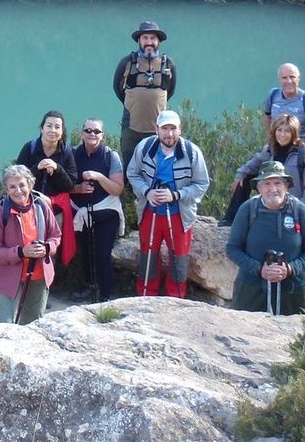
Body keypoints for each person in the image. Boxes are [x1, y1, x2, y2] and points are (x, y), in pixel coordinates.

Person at [125, 110, 211, 298]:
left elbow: (202, 183)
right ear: (156, 130)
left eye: (173, 128)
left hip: (180, 215)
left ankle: (176, 299)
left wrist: (176, 195)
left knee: (178, 259)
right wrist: (147, 192)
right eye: (165, 128)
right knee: (148, 257)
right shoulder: (145, 147)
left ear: (180, 130)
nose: (169, 133)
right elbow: (132, 174)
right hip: (150, 211)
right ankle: (146, 297)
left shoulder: (191, 152)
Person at [225, 161, 305, 316]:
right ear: (259, 187)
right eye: (267, 183)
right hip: (251, 288)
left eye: (278, 183)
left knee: (292, 336)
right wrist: (259, 269)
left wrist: (290, 269)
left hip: (292, 290)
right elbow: (232, 248)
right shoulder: (248, 209)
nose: (273, 189)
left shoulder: (299, 210)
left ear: (287, 186)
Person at [0, 163, 62, 325]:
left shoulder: (41, 206)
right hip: (9, 277)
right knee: (5, 325)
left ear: (30, 184)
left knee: (33, 324)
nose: (18, 190)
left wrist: (46, 248)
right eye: (12, 187)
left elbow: (55, 235)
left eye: (22, 185)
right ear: (6, 190)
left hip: (39, 275)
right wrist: (21, 252)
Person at [16, 111, 79, 282]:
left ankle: (44, 288)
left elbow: (70, 184)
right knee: (25, 245)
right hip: (29, 207)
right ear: (42, 128)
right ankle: (18, 287)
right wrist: (39, 167)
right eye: (49, 126)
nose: (53, 130)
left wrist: (57, 169)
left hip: (55, 210)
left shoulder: (66, 152)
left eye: (57, 127)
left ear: (62, 130)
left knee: (50, 249)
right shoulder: (30, 148)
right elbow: (17, 178)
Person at [221, 114, 305, 224]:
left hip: (291, 205)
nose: (282, 135)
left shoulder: (303, 155)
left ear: (294, 134)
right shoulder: (269, 149)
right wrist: (240, 174)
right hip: (270, 198)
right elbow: (253, 163)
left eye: (287, 131)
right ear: (274, 131)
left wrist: (302, 211)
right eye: (279, 130)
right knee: (245, 178)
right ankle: (232, 219)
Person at [71, 117, 125, 302]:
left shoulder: (111, 157)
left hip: (106, 212)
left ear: (103, 135)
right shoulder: (72, 154)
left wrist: (99, 177)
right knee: (85, 252)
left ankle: (106, 294)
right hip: (80, 211)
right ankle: (89, 286)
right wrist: (78, 188)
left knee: (102, 253)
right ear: (82, 133)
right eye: (88, 130)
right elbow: (63, 184)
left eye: (96, 131)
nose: (92, 134)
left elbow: (117, 189)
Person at [112, 20, 177, 163]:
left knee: (156, 167)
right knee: (129, 168)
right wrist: (133, 103)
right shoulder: (127, 62)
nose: (149, 42)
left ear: (158, 41)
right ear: (139, 41)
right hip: (131, 128)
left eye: (153, 38)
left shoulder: (168, 64)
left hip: (157, 129)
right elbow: (117, 87)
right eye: (145, 38)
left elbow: (170, 91)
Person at [262, 64, 305, 166]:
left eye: (292, 77)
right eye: (284, 78)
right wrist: (269, 140)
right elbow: (267, 117)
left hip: (301, 153)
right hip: (277, 148)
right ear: (279, 79)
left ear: (298, 79)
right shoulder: (272, 95)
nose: (289, 81)